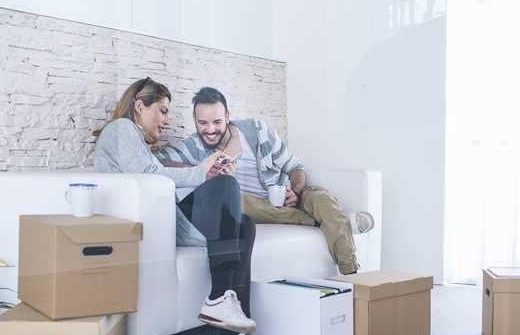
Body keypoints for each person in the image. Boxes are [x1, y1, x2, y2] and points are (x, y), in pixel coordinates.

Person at [93, 77, 280, 335]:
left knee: (244, 225)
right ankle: (221, 304)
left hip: (163, 216)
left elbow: (152, 173)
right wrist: (202, 172)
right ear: (140, 106)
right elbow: (149, 174)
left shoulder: (133, 138)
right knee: (224, 185)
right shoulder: (122, 129)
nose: (166, 120)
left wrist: (206, 173)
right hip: (153, 224)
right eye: (163, 110)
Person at [158, 87, 375, 275]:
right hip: (252, 207)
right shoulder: (194, 146)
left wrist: (296, 192)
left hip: (286, 196)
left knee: (322, 198)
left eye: (217, 121)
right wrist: (200, 168)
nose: (210, 129)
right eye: (202, 123)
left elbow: (295, 167)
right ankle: (330, 221)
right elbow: (158, 163)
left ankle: (352, 273)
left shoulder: (257, 131)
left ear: (228, 116)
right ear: (195, 120)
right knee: (237, 199)